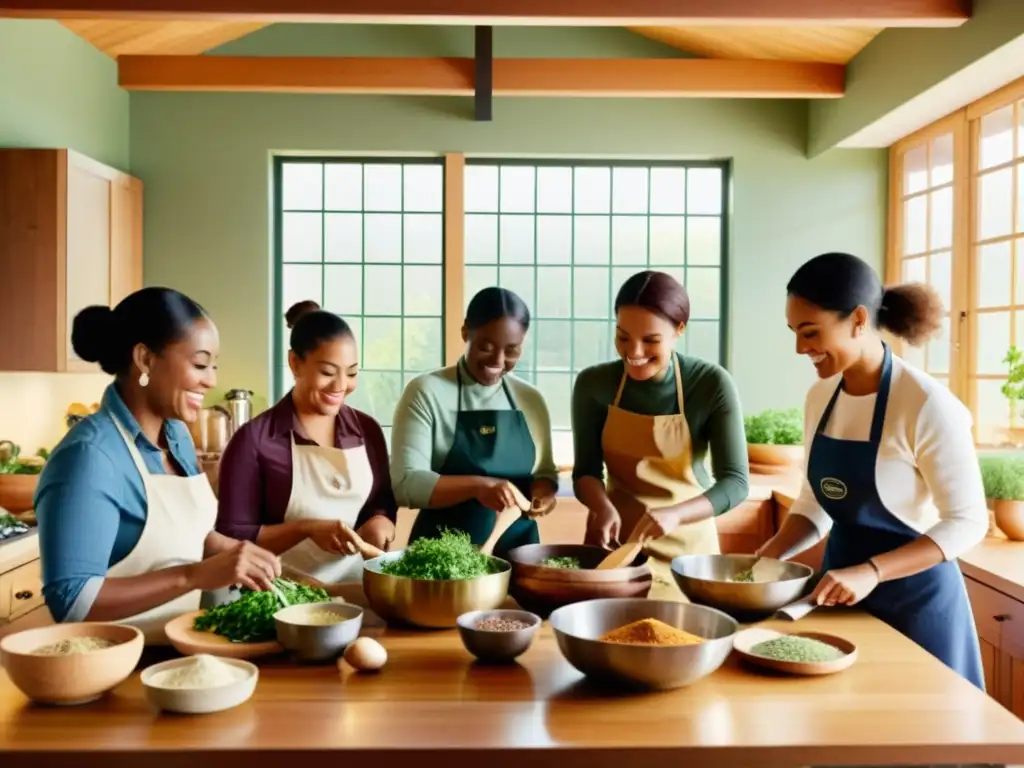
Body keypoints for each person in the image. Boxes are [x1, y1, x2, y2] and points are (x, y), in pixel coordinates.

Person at [757, 252, 987, 689]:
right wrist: (768, 557)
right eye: (794, 333)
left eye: (811, 332)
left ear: (858, 320)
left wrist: (873, 571)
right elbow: (813, 502)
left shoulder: (925, 404)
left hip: (917, 604)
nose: (800, 348)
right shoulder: (820, 396)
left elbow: (969, 522)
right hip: (840, 597)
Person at [35, 288, 282, 643]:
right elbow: (72, 601)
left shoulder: (177, 435)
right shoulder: (89, 457)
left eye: (214, 365)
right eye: (199, 364)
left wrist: (228, 550)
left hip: (183, 657)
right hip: (117, 673)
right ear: (145, 360)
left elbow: (177, 535)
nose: (211, 380)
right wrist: (194, 576)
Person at [572, 270, 749, 599]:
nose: (634, 352)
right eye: (623, 337)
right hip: (618, 550)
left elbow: (736, 482)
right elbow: (585, 472)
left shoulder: (710, 384)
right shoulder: (593, 385)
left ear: (680, 330)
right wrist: (602, 506)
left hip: (689, 556)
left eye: (651, 340)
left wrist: (676, 514)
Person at [216, 304, 397, 585]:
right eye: (327, 372)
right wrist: (305, 529)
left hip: (362, 591)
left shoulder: (367, 430)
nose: (340, 385)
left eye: (351, 373)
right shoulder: (254, 440)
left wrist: (379, 521)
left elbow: (381, 502)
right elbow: (231, 537)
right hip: (282, 598)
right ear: (295, 363)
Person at [390, 287, 559, 560]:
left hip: (521, 553)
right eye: (486, 346)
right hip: (441, 554)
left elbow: (544, 474)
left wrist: (542, 496)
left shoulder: (531, 399)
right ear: (465, 332)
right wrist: (480, 486)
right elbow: (405, 483)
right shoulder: (426, 391)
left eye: (512, 351)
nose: (498, 361)